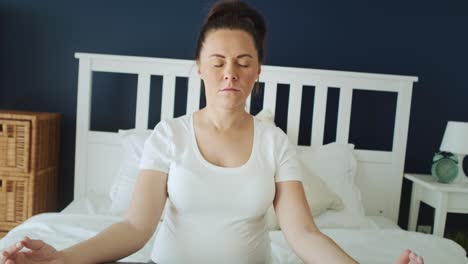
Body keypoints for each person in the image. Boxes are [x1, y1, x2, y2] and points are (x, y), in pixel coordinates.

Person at [1, 1, 425, 264]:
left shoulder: (273, 142)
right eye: (218, 61)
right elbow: (134, 226)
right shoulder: (169, 136)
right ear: (200, 67)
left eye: (244, 62)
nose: (230, 74)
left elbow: (303, 234)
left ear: (258, 71)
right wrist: (63, 259)